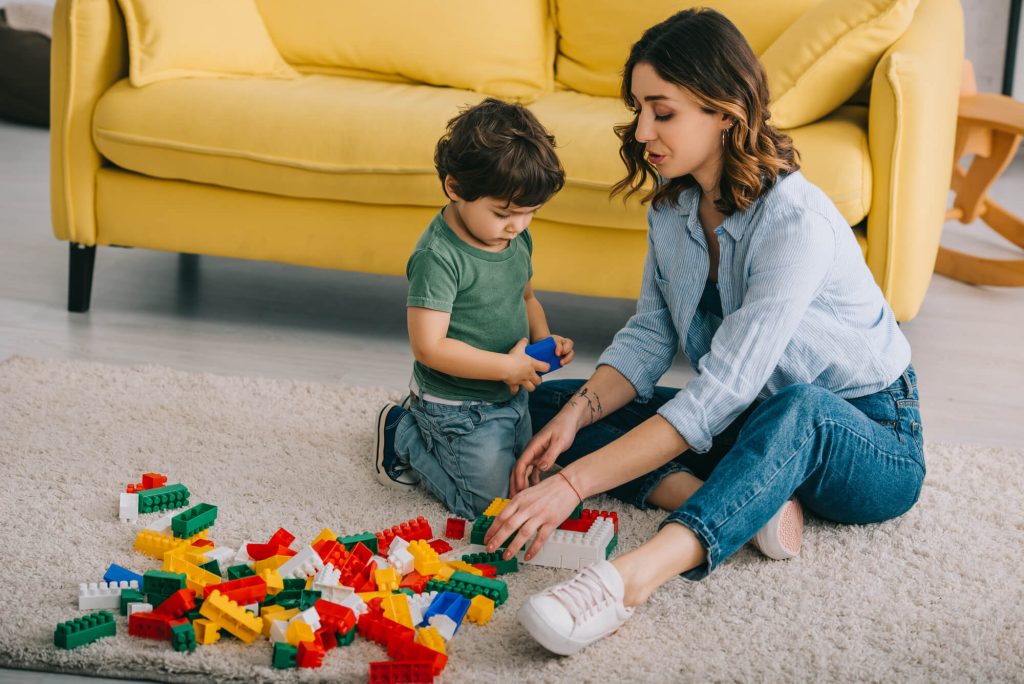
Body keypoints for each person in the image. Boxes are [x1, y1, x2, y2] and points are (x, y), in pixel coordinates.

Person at [482, 8, 925, 656]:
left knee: (799, 407)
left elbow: (723, 388)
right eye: (638, 110)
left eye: (662, 112)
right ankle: (749, 500)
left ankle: (635, 577)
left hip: (869, 435)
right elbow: (649, 334)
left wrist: (575, 484)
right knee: (546, 404)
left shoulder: (794, 222)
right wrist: (579, 413)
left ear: (724, 109)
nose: (642, 131)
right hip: (753, 416)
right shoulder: (675, 203)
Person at [373, 98, 575, 520]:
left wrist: (544, 341)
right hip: (456, 406)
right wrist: (506, 367)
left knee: (528, 479)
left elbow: (526, 298)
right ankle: (402, 433)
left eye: (529, 214)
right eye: (503, 213)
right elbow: (429, 347)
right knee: (487, 508)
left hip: (511, 391)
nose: (517, 225)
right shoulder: (439, 256)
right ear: (455, 188)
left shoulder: (515, 238)